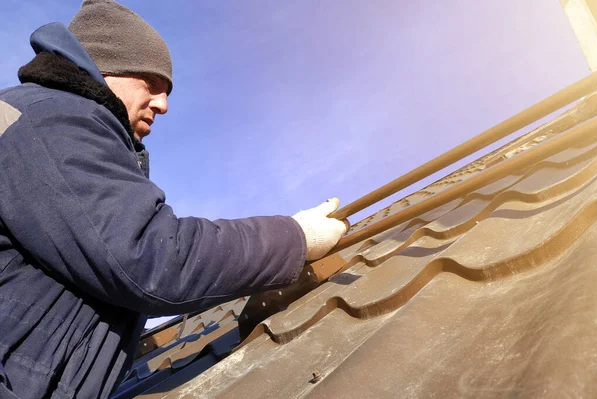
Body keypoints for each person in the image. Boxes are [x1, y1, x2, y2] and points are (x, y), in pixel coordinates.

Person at [0, 0, 348, 397]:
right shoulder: (52, 116)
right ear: (105, 68)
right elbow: (151, 257)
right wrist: (295, 238)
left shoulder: (34, 118)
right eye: (152, 84)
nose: (163, 104)